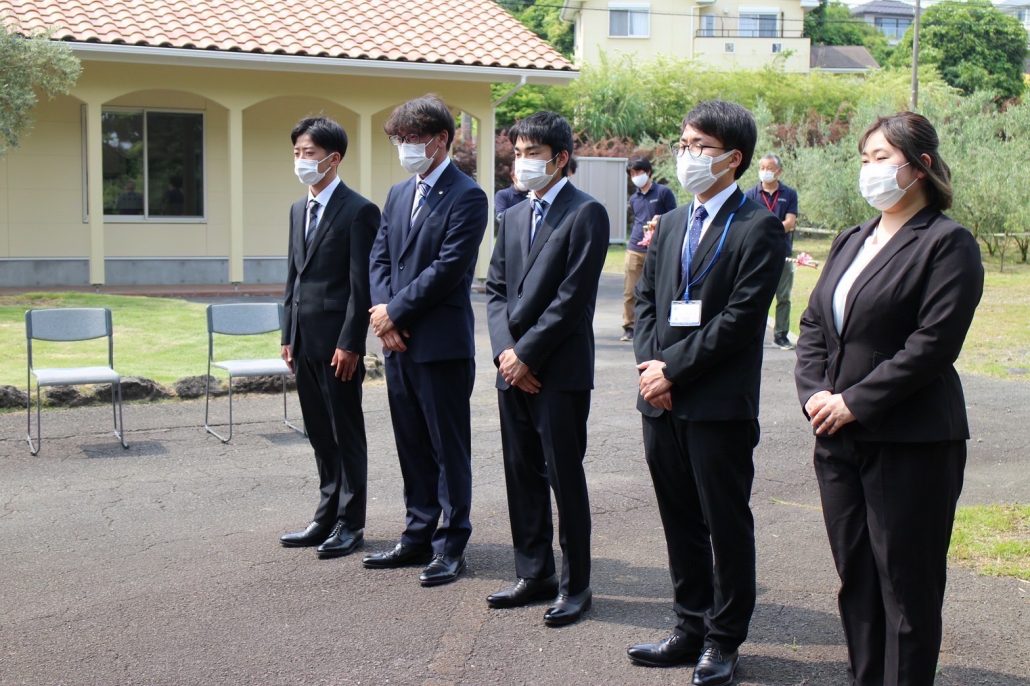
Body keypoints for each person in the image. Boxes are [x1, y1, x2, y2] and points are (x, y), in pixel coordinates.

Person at [794, 112, 983, 686]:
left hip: (911, 441)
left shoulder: (947, 243)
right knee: (856, 579)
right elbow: (814, 324)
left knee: (906, 585)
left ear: (920, 166)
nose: (869, 169)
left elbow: (933, 344)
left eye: (882, 158)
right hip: (838, 438)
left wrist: (855, 401)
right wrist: (817, 394)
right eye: (864, 159)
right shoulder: (852, 239)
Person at [629, 100, 785, 686]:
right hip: (660, 400)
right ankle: (688, 626)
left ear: (733, 158)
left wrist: (672, 370)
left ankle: (723, 639)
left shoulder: (757, 226)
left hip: (717, 404)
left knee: (725, 523)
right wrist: (653, 369)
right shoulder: (671, 222)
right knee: (679, 520)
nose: (687, 155)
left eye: (699, 146)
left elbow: (740, 320)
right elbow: (646, 302)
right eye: (684, 144)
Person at [485, 111, 609, 628]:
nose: (522, 163)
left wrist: (527, 355)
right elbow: (495, 290)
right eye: (517, 153)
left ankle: (575, 585)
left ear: (560, 158)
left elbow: (572, 298)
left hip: (558, 370)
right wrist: (505, 354)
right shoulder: (513, 214)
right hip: (512, 368)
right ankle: (533, 572)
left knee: (564, 477)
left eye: (532, 154)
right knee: (521, 474)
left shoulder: (586, 213)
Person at [363, 94, 488, 587]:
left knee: (447, 449)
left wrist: (394, 311)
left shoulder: (467, 196)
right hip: (397, 344)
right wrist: (384, 316)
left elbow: (448, 268)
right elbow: (380, 257)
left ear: (440, 140)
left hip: (440, 344)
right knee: (411, 443)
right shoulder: (398, 194)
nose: (405, 147)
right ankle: (416, 534)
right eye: (399, 139)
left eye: (413, 138)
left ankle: (451, 544)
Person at [279, 116, 381, 559]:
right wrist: (287, 332)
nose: (301, 160)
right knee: (319, 432)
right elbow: (293, 276)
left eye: (310, 153)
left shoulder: (359, 211)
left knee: (345, 432)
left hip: (339, 343)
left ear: (333, 158)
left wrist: (351, 342)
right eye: (297, 153)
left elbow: (362, 285)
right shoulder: (297, 209)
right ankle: (325, 516)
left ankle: (350, 522)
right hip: (304, 339)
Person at [744, 154, 798, 349]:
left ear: (779, 171)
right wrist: (772, 228)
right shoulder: (750, 194)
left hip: (783, 253)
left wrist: (765, 229)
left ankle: (781, 334)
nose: (765, 171)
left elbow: (790, 223)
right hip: (757, 253)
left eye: (769, 168)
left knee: (783, 296)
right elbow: (748, 224)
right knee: (755, 294)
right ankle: (753, 333)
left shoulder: (789, 194)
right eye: (762, 167)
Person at [623, 157, 677, 342]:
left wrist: (660, 220)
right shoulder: (634, 198)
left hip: (658, 248)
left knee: (658, 289)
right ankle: (629, 326)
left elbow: (674, 216)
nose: (636, 176)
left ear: (648, 172)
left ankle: (658, 325)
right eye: (632, 173)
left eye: (639, 172)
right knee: (630, 290)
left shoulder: (663, 192)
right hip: (635, 246)